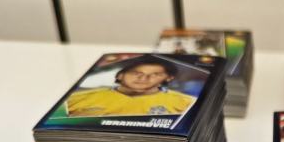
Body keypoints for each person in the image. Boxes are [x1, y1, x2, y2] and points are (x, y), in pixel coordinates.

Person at [65, 57, 195, 116]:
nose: (143, 78)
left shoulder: (187, 103)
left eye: (155, 74)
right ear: (120, 75)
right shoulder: (76, 99)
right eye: (136, 73)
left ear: (168, 78)